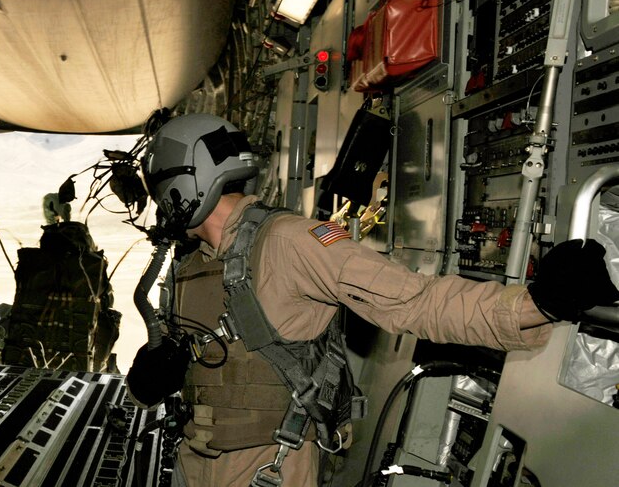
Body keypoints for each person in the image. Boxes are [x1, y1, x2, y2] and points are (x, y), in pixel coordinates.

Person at [126, 113, 619, 487]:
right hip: (195, 463)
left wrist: (539, 304)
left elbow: (416, 302)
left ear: (180, 184)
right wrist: (155, 370)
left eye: (158, 191)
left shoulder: (290, 242)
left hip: (266, 468)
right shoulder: (193, 263)